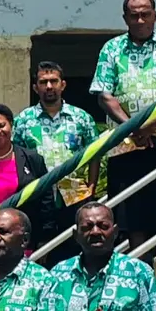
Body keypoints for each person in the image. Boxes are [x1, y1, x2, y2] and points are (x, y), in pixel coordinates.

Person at [90, 0, 156, 260]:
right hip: (126, 145)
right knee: (131, 213)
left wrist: (151, 126)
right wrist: (133, 128)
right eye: (134, 15)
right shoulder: (112, 49)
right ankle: (141, 268)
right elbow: (104, 94)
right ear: (125, 18)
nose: (140, 19)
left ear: (155, 16)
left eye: (145, 14)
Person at [46, 202, 156, 311]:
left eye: (103, 226)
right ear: (76, 235)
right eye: (87, 227)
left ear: (115, 232)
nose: (95, 232)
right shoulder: (58, 274)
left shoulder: (139, 272)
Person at [13, 60, 100, 236]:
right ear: (36, 88)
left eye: (54, 81)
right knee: (42, 244)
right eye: (43, 82)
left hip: (75, 194)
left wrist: (92, 187)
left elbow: (95, 153)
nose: (49, 86)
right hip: (37, 195)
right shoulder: (23, 120)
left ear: (63, 85)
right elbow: (16, 158)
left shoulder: (81, 118)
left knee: (75, 244)